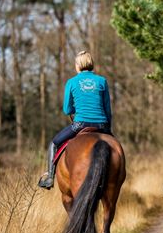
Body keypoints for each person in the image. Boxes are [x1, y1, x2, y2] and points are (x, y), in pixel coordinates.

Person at [38, 51, 113, 189]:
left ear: (78, 65)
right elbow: (108, 109)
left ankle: (49, 177)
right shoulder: (102, 81)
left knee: (54, 144)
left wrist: (76, 108)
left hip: (80, 124)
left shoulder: (72, 82)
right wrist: (108, 129)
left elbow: (67, 110)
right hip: (102, 125)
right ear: (91, 64)